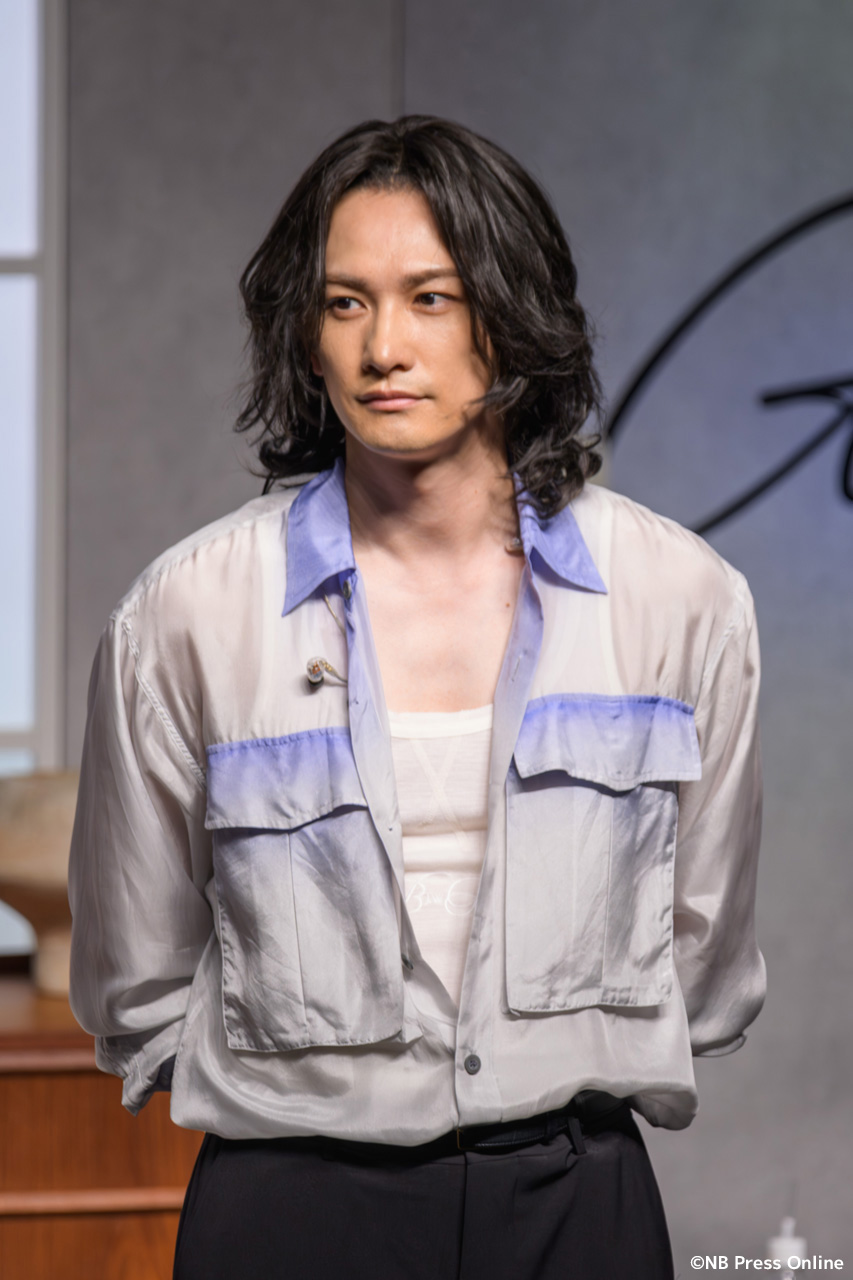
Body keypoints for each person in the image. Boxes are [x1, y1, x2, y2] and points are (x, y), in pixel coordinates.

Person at [68, 116, 765, 1279]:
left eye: (431, 298)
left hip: (575, 1201)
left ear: (511, 311)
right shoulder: (185, 613)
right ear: (305, 335)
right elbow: (133, 980)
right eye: (344, 303)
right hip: (288, 1206)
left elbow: (707, 955)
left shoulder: (681, 598)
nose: (383, 346)